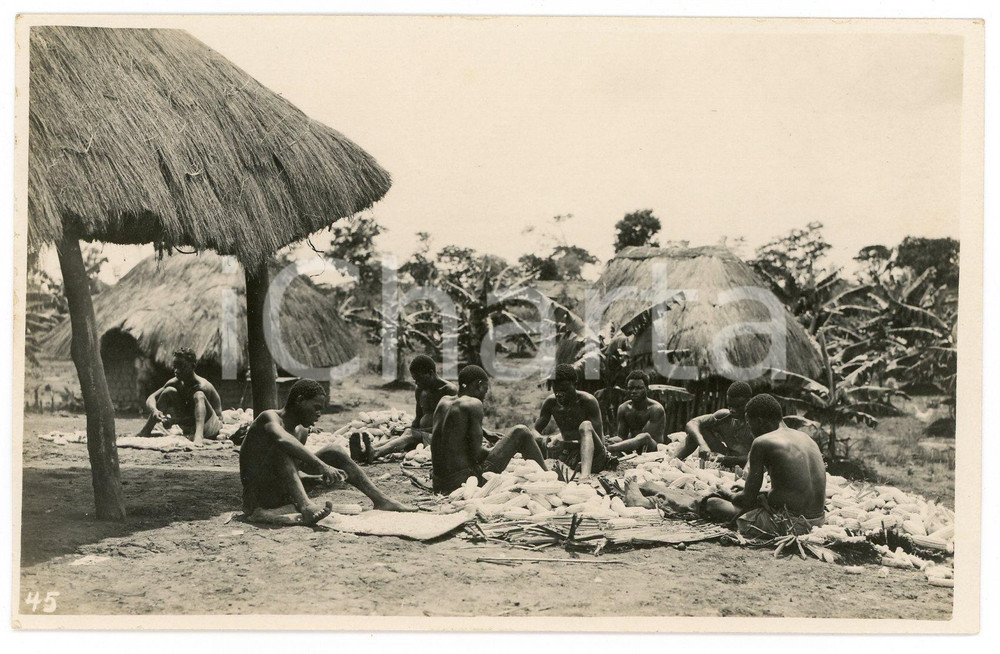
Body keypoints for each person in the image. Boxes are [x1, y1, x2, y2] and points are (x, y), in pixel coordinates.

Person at [626, 393, 827, 537]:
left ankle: (649, 502)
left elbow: (746, 501)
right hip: (816, 520)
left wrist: (727, 494)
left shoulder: (763, 442)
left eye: (750, 425)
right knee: (731, 495)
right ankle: (656, 490)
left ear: (759, 421)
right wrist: (760, 493)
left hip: (788, 524)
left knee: (712, 503)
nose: (751, 431)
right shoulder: (805, 439)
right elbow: (792, 489)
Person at [239, 379, 415, 525]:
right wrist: (322, 466)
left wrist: (316, 479)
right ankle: (306, 506)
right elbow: (282, 441)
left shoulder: (301, 431)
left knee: (334, 451)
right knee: (282, 448)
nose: (319, 414)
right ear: (300, 400)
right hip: (257, 496)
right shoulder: (269, 417)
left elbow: (291, 471)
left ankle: (381, 500)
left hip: (281, 494)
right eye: (316, 407)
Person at [430, 365, 548, 494]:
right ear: (479, 384)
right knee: (521, 431)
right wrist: (502, 448)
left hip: (439, 483)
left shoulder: (444, 401)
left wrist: (485, 432)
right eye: (485, 391)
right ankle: (549, 479)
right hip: (463, 482)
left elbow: (452, 431)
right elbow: (478, 455)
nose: (484, 397)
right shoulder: (473, 404)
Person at [351, 355, 458, 463]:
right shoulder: (420, 390)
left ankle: (375, 453)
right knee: (400, 436)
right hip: (422, 435)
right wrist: (406, 427)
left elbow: (448, 426)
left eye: (419, 379)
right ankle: (364, 452)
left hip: (440, 438)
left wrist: (416, 431)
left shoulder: (449, 391)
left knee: (410, 434)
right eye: (415, 380)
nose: (416, 383)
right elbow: (418, 418)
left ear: (430, 373)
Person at [532, 364, 613, 478]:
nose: (559, 394)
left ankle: (585, 477)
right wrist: (545, 441)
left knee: (585, 425)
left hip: (595, 457)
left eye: (564, 390)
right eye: (556, 390)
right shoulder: (551, 403)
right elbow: (534, 431)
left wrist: (565, 444)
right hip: (569, 456)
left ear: (575, 384)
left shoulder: (588, 402)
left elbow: (598, 441)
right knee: (523, 432)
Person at [135, 347, 223, 445]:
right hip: (189, 425)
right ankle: (146, 430)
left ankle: (199, 437)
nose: (176, 370)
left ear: (193, 366)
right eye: (175, 366)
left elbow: (196, 418)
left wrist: (174, 421)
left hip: (210, 426)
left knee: (199, 395)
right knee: (169, 391)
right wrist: (155, 411)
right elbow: (151, 398)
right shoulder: (175, 382)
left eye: (181, 366)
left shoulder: (203, 386)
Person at [675, 381, 754, 467]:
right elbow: (692, 423)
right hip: (727, 455)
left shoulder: (756, 423)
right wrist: (702, 444)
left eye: (737, 406)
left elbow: (760, 456)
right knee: (698, 430)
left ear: (748, 402)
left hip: (748, 462)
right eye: (730, 406)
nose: (732, 410)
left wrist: (732, 460)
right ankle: (673, 461)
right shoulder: (725, 416)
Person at [607, 370, 665, 455]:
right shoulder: (623, 408)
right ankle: (609, 446)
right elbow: (621, 437)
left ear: (647, 389)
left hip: (653, 449)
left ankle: (610, 448)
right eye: (631, 388)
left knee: (645, 436)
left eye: (639, 388)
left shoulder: (656, 409)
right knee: (608, 440)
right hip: (631, 448)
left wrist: (613, 447)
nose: (634, 391)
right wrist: (608, 440)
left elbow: (645, 440)